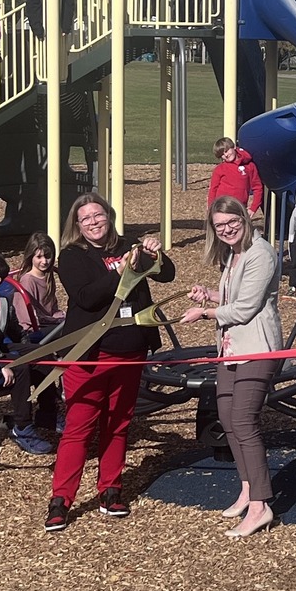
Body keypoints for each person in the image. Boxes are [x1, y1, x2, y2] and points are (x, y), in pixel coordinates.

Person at [46, 194, 175, 529]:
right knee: (80, 426)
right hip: (90, 352)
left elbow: (167, 275)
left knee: (118, 422)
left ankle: (111, 488)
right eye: (85, 218)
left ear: (109, 216)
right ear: (77, 224)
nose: (93, 222)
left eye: (98, 215)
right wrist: (118, 270)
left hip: (130, 348)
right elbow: (86, 297)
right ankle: (61, 499)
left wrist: (152, 253)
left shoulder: (129, 245)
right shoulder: (72, 256)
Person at [179, 196, 283, 539]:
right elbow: (233, 299)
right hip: (231, 347)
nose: (226, 230)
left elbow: (245, 308)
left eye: (231, 223)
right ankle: (247, 487)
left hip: (257, 347)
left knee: (243, 420)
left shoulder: (261, 253)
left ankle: (260, 504)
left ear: (245, 218)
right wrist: (210, 294)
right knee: (226, 416)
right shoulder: (233, 255)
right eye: (219, 226)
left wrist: (205, 314)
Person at [3, 232, 64, 454]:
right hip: (34, 330)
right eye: (39, 257)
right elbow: (27, 319)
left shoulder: (48, 276)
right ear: (30, 256)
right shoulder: (28, 280)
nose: (44, 261)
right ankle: (33, 420)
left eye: (47, 256)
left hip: (48, 323)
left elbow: (51, 308)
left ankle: (49, 412)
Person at [207, 136, 264, 216]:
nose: (226, 155)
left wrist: (253, 208)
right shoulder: (220, 169)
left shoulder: (250, 166)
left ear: (233, 147)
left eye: (226, 151)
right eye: (222, 155)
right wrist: (211, 209)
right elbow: (213, 190)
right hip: (221, 208)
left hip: (240, 208)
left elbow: (258, 188)